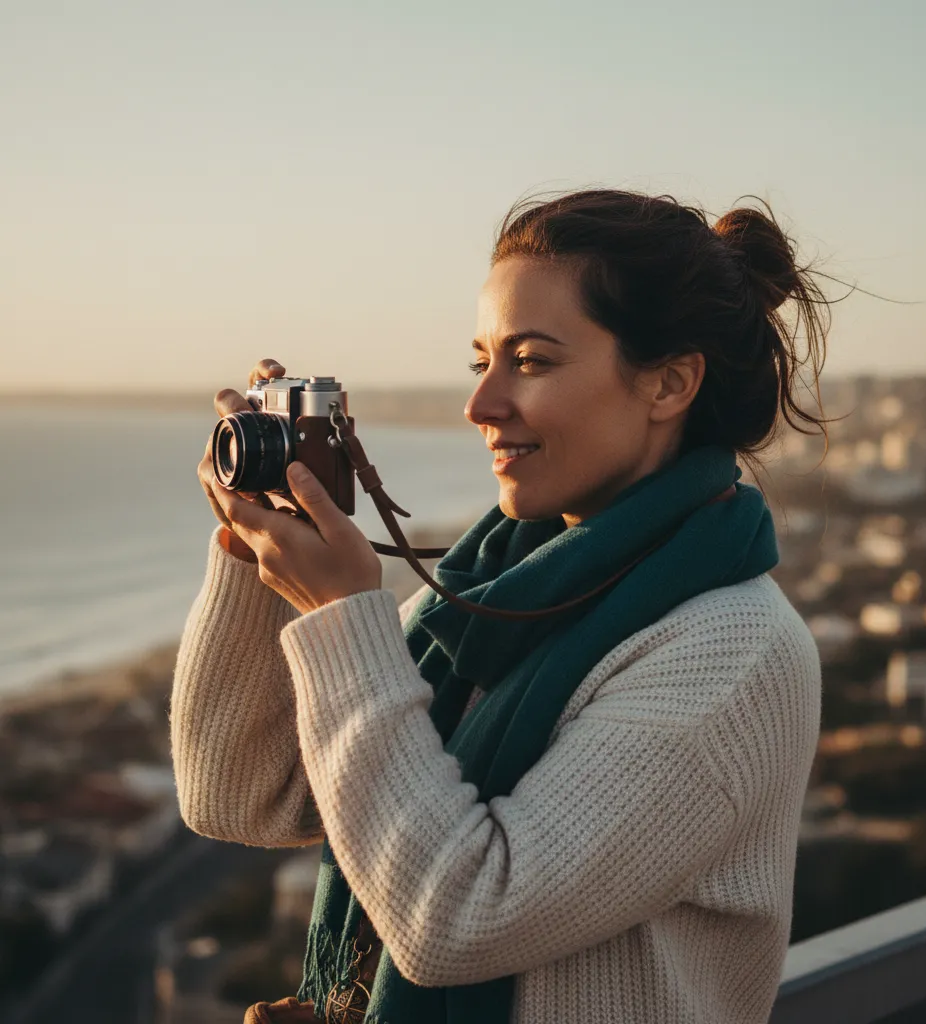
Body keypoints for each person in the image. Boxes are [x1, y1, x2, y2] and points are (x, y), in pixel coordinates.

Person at [171, 188, 826, 1024]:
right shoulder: (494, 596)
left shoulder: (734, 651)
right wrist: (251, 546)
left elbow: (459, 916)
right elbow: (241, 794)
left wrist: (342, 616)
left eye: (532, 361)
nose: (481, 405)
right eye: (481, 361)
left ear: (670, 382)